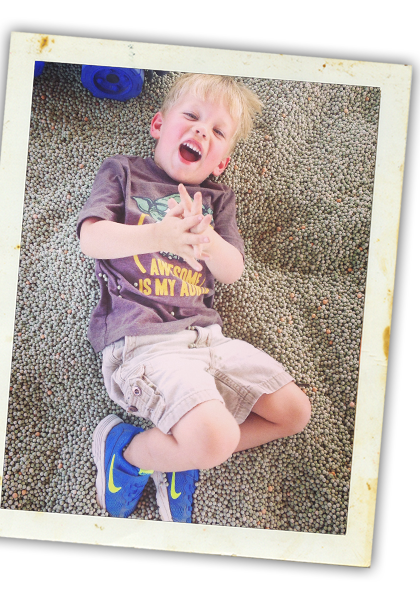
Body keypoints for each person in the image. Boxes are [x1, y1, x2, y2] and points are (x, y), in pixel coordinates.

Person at [77, 73, 311, 524]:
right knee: (216, 437)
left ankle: (182, 453)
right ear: (158, 125)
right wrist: (159, 235)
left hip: (208, 340)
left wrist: (208, 239)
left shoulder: (217, 200)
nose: (202, 130)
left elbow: (232, 270)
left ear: (221, 162)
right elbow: (91, 239)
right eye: (191, 116)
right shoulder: (123, 171)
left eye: (218, 131)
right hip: (143, 341)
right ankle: (127, 450)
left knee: (294, 412)